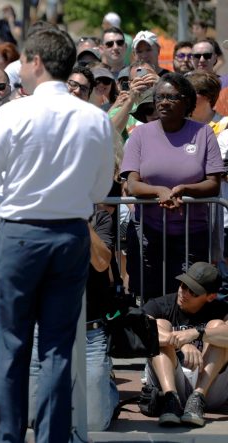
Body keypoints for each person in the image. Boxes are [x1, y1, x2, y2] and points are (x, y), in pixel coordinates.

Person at [0, 28, 115, 443]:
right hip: (70, 235)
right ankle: (53, 437)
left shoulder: (14, 113)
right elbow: (100, 189)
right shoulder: (94, 117)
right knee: (56, 347)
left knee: (14, 345)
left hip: (20, 235)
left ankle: (8, 438)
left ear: (36, 61)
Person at [121, 73, 223, 302]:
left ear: (187, 101)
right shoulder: (140, 135)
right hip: (149, 233)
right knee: (150, 298)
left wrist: (183, 189)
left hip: (192, 235)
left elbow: (213, 184)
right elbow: (133, 183)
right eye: (160, 97)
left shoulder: (204, 133)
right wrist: (160, 191)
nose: (163, 102)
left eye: (171, 97)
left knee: (187, 300)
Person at [142, 262, 228, 427]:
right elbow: (141, 330)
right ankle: (170, 399)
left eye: (193, 291)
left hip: (208, 387)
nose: (184, 292)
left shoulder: (221, 309)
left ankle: (197, 399)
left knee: (217, 328)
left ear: (210, 296)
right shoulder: (162, 304)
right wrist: (179, 343)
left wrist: (197, 333)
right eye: (183, 284)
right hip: (171, 381)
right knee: (160, 325)